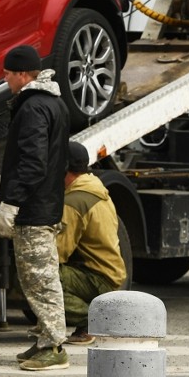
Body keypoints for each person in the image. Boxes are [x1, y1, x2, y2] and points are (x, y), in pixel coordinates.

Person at [0, 44, 71, 371]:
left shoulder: (32, 108)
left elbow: (33, 163)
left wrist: (12, 201)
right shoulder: (53, 103)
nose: (6, 80)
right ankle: (43, 337)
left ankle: (54, 346)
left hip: (33, 208)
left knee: (40, 279)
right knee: (36, 276)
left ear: (24, 74)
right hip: (46, 204)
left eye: (9, 74)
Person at [57, 141, 127, 345]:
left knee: (38, 276)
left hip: (98, 279)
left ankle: (93, 321)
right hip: (111, 276)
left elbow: (58, 252)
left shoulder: (74, 201)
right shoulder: (96, 190)